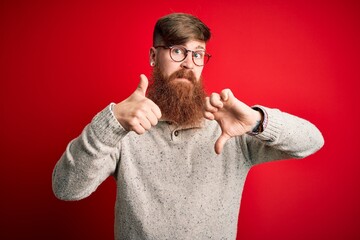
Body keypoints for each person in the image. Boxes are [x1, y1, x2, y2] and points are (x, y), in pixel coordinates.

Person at [52, 13, 324, 240]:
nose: (188, 63)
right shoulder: (125, 128)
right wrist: (110, 124)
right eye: (177, 50)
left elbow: (312, 141)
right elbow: (66, 188)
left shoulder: (228, 127)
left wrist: (255, 121)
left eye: (198, 54)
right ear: (152, 56)